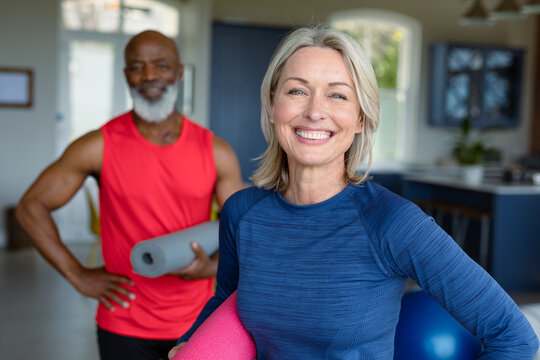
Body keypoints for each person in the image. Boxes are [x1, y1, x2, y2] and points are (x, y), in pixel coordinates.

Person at [169, 26, 539, 359]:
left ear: (361, 118)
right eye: (297, 90)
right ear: (271, 105)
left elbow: (514, 336)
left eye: (338, 96)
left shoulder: (392, 222)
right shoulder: (241, 212)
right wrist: (191, 342)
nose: (315, 112)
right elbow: (227, 301)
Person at [16, 30, 244, 359]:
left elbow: (243, 225)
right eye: (137, 67)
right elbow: (30, 206)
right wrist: (77, 273)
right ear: (126, 76)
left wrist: (213, 267)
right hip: (123, 322)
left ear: (179, 72)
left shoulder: (215, 151)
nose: (149, 75)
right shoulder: (97, 145)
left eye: (161, 65)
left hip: (198, 319)